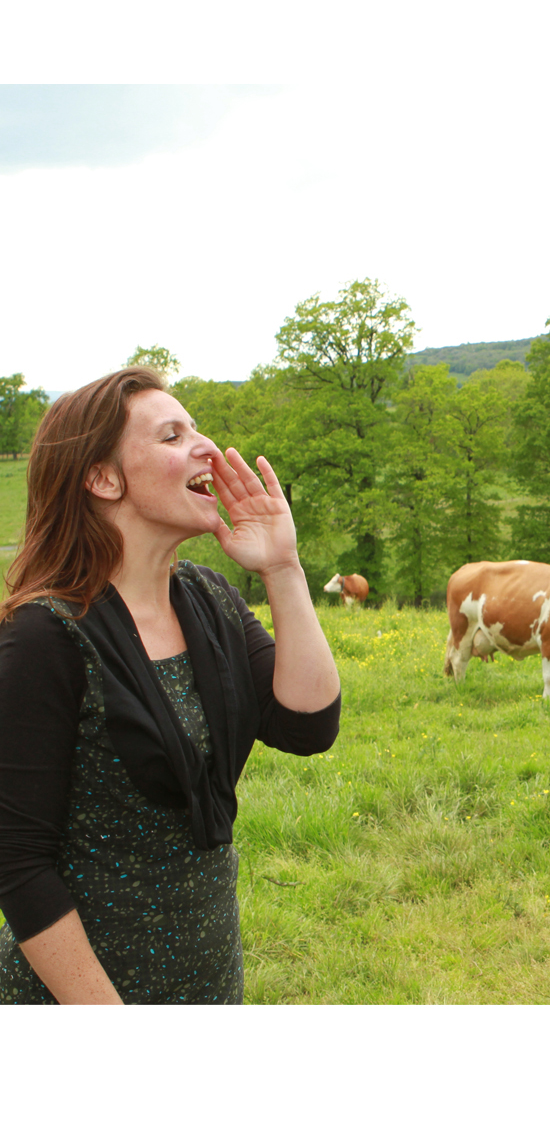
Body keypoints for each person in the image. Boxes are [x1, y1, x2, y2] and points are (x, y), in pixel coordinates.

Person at [0, 367, 341, 1004]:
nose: (206, 447)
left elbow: (307, 727)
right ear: (103, 478)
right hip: (86, 1000)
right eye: (171, 435)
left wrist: (283, 567)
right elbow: (18, 863)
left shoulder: (208, 600)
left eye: (196, 429)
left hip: (208, 976)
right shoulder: (43, 636)